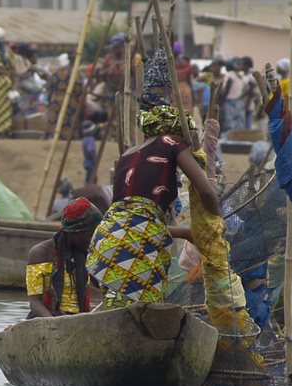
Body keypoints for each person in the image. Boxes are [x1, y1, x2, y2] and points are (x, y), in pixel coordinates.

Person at [88, 105, 220, 307]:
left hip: (106, 240)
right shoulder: (172, 142)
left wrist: (186, 233)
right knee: (145, 314)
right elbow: (206, 191)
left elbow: (137, 224)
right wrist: (217, 221)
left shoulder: (126, 157)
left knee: (117, 310)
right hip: (135, 249)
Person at [25, 197, 103, 318]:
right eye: (91, 235)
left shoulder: (87, 254)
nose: (94, 241)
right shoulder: (40, 253)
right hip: (46, 319)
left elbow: (101, 286)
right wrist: (56, 325)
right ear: (75, 231)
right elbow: (35, 303)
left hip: (80, 319)